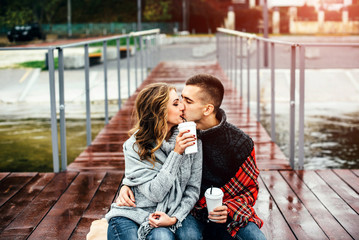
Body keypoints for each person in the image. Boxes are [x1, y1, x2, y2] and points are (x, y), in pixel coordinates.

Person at [117, 74, 266, 240]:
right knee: (189, 236)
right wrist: (127, 183)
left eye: (187, 102)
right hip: (189, 210)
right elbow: (150, 156)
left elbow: (250, 190)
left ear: (207, 109)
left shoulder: (240, 143)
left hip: (222, 210)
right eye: (179, 100)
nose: (181, 106)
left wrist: (229, 208)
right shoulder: (182, 133)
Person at [106, 83, 203, 240]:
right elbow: (155, 193)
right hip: (132, 212)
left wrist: (174, 218)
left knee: (172, 237)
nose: (182, 107)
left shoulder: (191, 140)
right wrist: (176, 153)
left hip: (167, 212)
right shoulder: (134, 145)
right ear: (159, 111)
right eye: (176, 103)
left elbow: (192, 188)